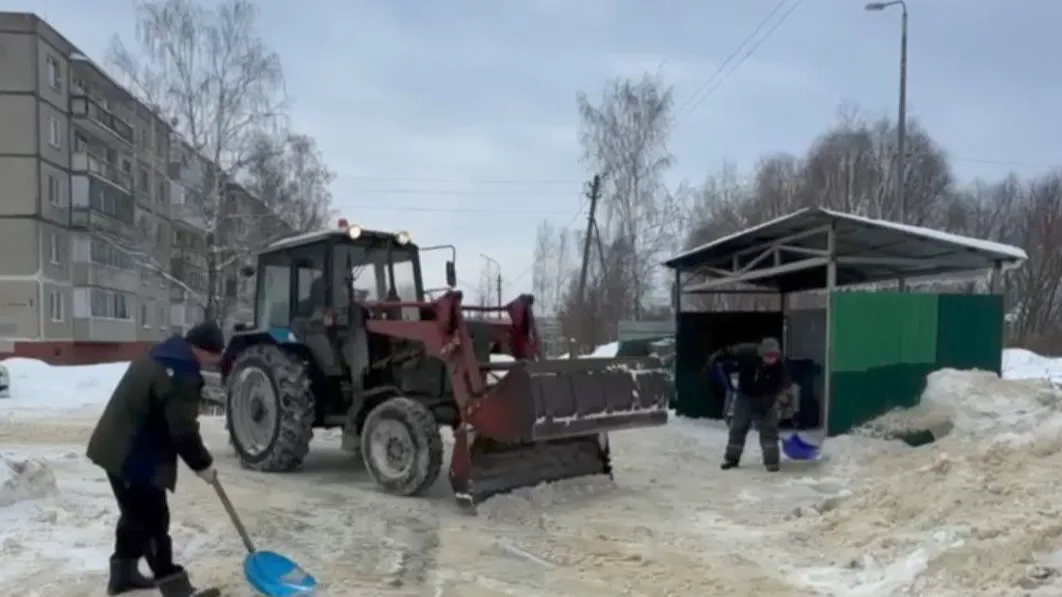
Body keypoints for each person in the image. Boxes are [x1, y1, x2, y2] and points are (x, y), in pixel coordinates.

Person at [86, 322, 226, 597]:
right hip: (133, 455)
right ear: (202, 350)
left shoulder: (162, 356)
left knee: (135, 514)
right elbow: (183, 431)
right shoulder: (181, 372)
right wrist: (203, 465)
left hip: (118, 447)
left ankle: (123, 577)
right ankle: (175, 588)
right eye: (214, 357)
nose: (213, 364)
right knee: (152, 519)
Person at [712, 337, 789, 472]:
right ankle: (731, 459)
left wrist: (770, 402)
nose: (771, 359)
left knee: (769, 429)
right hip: (745, 396)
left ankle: (771, 462)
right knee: (738, 427)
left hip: (767, 397)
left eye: (774, 356)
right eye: (768, 356)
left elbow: (779, 387)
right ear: (761, 353)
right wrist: (722, 356)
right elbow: (731, 354)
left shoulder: (779, 368)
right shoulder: (748, 355)